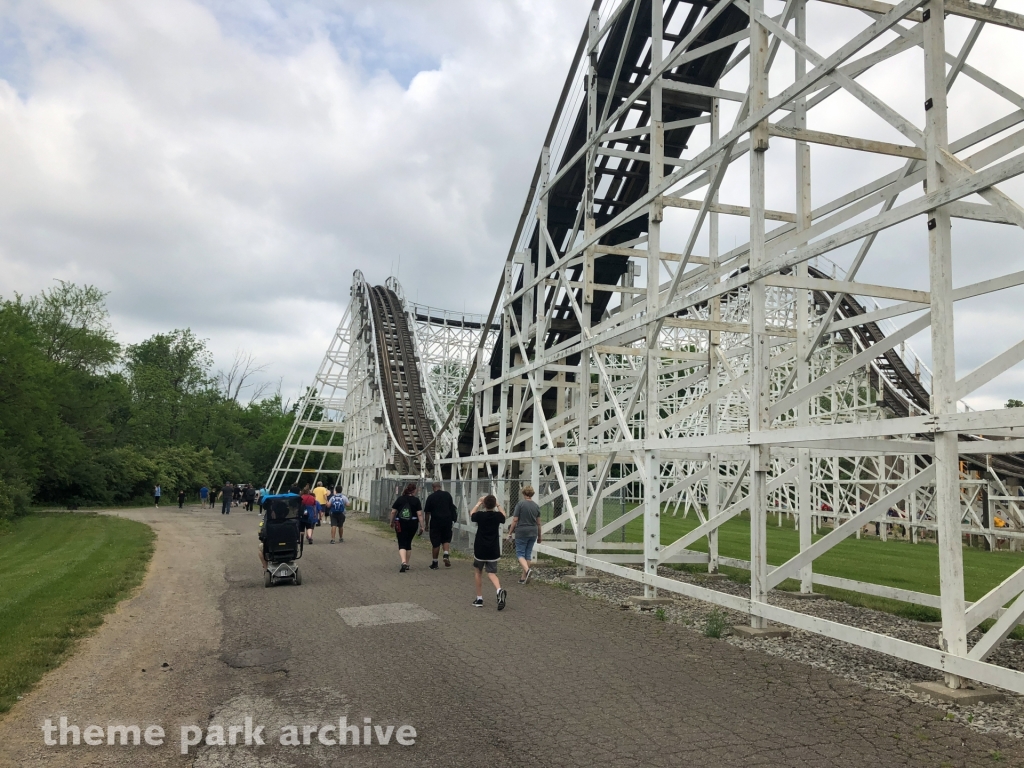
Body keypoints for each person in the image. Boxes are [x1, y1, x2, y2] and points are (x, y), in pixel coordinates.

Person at [470, 494, 507, 610]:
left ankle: (479, 598)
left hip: (480, 549)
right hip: (493, 549)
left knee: (478, 572)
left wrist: (478, 503)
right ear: (494, 504)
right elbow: (504, 516)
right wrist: (498, 505)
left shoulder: (480, 516)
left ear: (484, 504)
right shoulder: (497, 516)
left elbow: (472, 514)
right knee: (491, 573)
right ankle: (499, 590)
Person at [508, 485, 542, 584]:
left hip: (522, 531)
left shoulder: (520, 504)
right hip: (533, 531)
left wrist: (510, 533)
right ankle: (523, 577)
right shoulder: (536, 506)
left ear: (523, 493)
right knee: (528, 554)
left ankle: (527, 571)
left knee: (520, 553)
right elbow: (538, 523)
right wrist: (540, 536)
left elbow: (515, 520)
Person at [389, 483, 423, 572]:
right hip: (413, 523)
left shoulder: (400, 499)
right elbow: (419, 514)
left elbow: (393, 512)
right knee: (408, 542)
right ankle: (407, 563)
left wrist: (391, 522)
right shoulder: (416, 500)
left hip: (400, 522)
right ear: (414, 490)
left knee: (402, 542)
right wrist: (422, 526)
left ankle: (403, 562)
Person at [423, 481, 457, 569]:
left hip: (435, 522)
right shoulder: (447, 495)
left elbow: (427, 513)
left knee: (436, 543)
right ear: (440, 486)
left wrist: (426, 524)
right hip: (447, 521)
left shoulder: (431, 497)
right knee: (446, 539)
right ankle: (446, 554)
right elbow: (451, 508)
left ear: (433, 487)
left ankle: (435, 563)